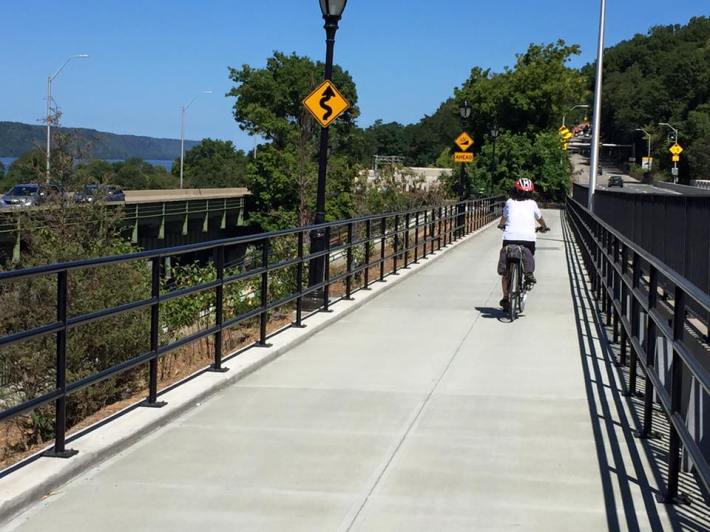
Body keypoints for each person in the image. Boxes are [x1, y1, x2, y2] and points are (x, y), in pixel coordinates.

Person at [496, 178, 549, 311]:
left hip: (510, 238)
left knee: (506, 271)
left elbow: (504, 217)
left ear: (515, 190)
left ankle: (505, 297)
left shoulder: (509, 202)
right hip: (528, 239)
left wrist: (501, 225)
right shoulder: (532, 204)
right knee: (528, 254)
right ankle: (528, 273)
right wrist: (544, 227)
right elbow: (539, 218)